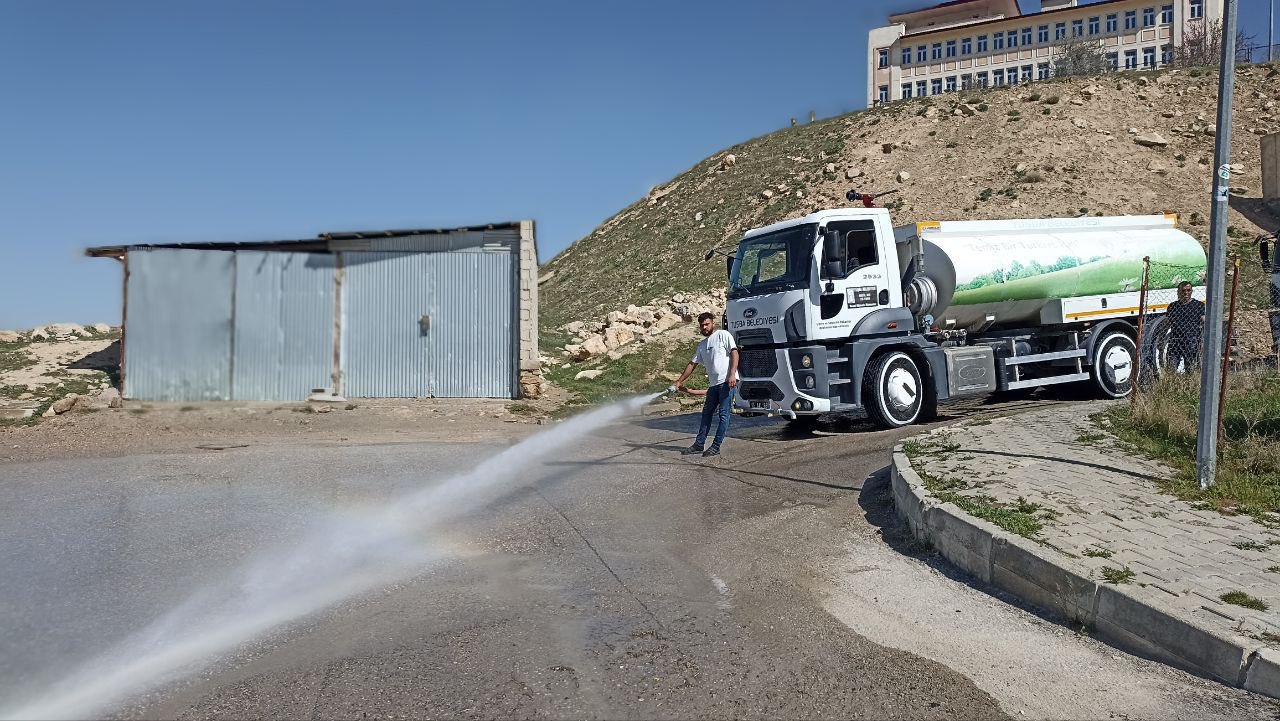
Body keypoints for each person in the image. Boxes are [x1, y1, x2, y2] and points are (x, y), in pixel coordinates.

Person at [673, 312, 739, 458]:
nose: (704, 327)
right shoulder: (702, 345)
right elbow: (692, 364)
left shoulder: (723, 335)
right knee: (706, 414)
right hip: (714, 385)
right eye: (702, 325)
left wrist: (732, 374)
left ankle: (716, 446)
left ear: (712, 323)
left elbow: (735, 353)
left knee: (723, 415)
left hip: (727, 381)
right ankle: (699, 444)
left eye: (707, 324)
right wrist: (679, 381)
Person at [1164, 281, 1205, 373]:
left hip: (1191, 342)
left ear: (1191, 291)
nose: (1186, 293)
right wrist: (1161, 339)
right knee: (1171, 369)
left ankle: (1189, 386)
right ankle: (1171, 386)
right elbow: (1166, 324)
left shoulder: (1199, 305)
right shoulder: (1173, 306)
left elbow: (1204, 323)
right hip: (1175, 343)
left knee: (1190, 369)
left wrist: (1203, 341)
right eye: (1183, 291)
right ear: (1178, 292)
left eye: (1188, 290)